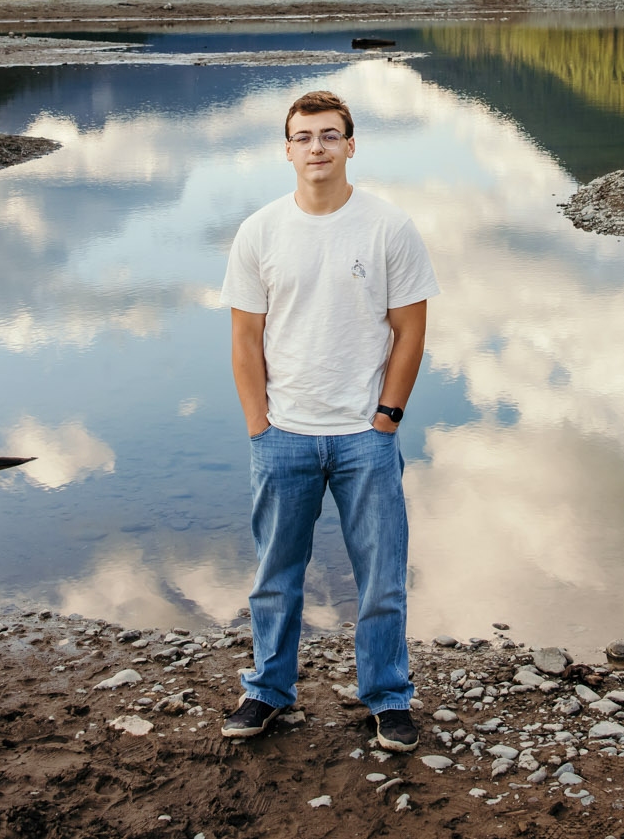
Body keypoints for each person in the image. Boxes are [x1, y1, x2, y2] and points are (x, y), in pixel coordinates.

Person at [220, 88, 436, 753]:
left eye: (329, 134)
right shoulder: (259, 231)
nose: (317, 146)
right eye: (304, 135)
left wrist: (387, 417)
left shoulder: (388, 227)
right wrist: (260, 424)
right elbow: (244, 338)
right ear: (286, 149)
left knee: (381, 578)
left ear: (350, 144)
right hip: (284, 435)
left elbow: (410, 331)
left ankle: (388, 697)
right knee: (276, 576)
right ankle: (267, 691)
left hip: (364, 440)